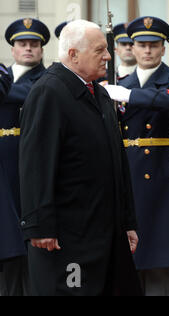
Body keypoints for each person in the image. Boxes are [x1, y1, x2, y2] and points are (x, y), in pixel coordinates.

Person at [18, 19, 142, 296]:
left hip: (105, 234)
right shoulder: (48, 92)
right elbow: (36, 163)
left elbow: (117, 165)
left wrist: (128, 222)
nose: (108, 56)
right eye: (100, 50)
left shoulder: (98, 93)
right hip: (67, 238)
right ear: (73, 54)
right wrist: (39, 225)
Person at [105, 16, 169, 296]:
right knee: (129, 267)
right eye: (141, 44)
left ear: (163, 48)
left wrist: (129, 96)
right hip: (129, 174)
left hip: (163, 178)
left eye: (154, 45)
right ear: (131, 46)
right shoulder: (120, 81)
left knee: (161, 268)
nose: (147, 51)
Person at [0, 18, 50, 297]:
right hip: (4, 168)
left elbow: (35, 95)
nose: (28, 49)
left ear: (42, 49)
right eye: (23, 44)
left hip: (28, 166)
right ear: (13, 48)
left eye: (34, 44)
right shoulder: (6, 75)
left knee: (30, 241)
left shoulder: (46, 78)